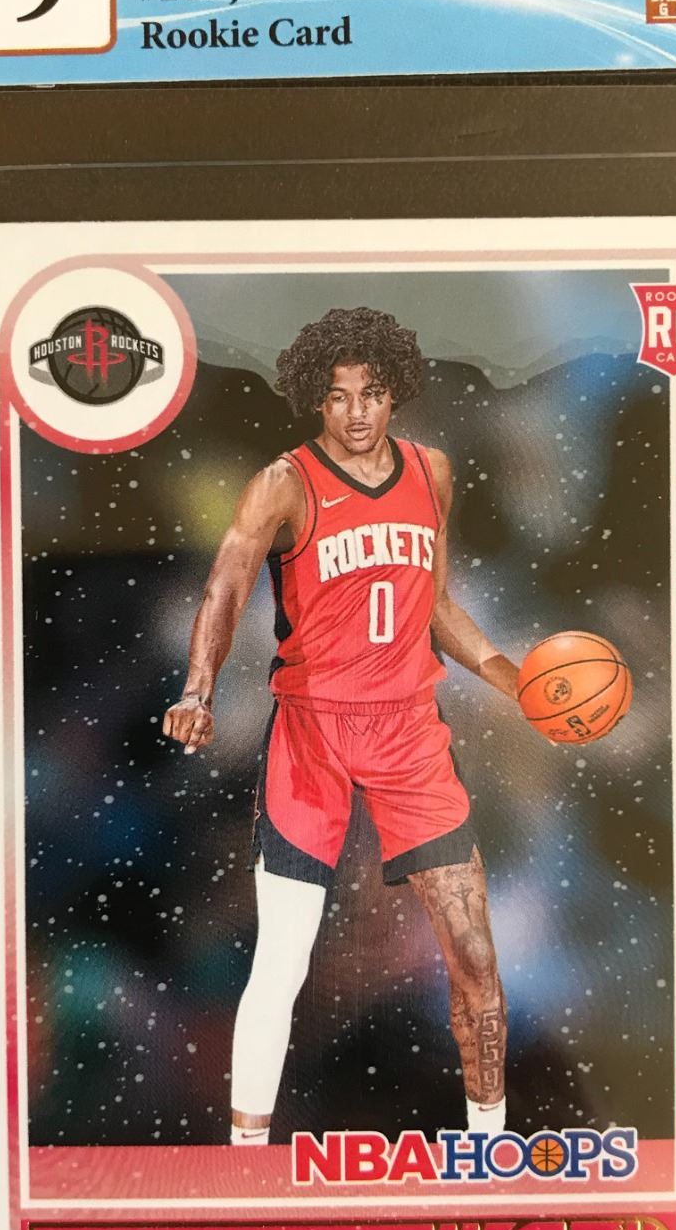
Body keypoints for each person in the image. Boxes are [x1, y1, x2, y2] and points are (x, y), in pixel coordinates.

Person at [162, 306, 520, 1144]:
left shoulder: (433, 471)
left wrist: (508, 673)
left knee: (475, 955)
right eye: (337, 396)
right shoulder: (283, 482)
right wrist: (199, 691)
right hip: (312, 731)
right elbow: (225, 585)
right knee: (283, 958)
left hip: (409, 732)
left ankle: (491, 1144)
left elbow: (433, 601)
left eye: (372, 393)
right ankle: (245, 1157)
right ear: (314, 400)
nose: (356, 411)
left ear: (396, 394)